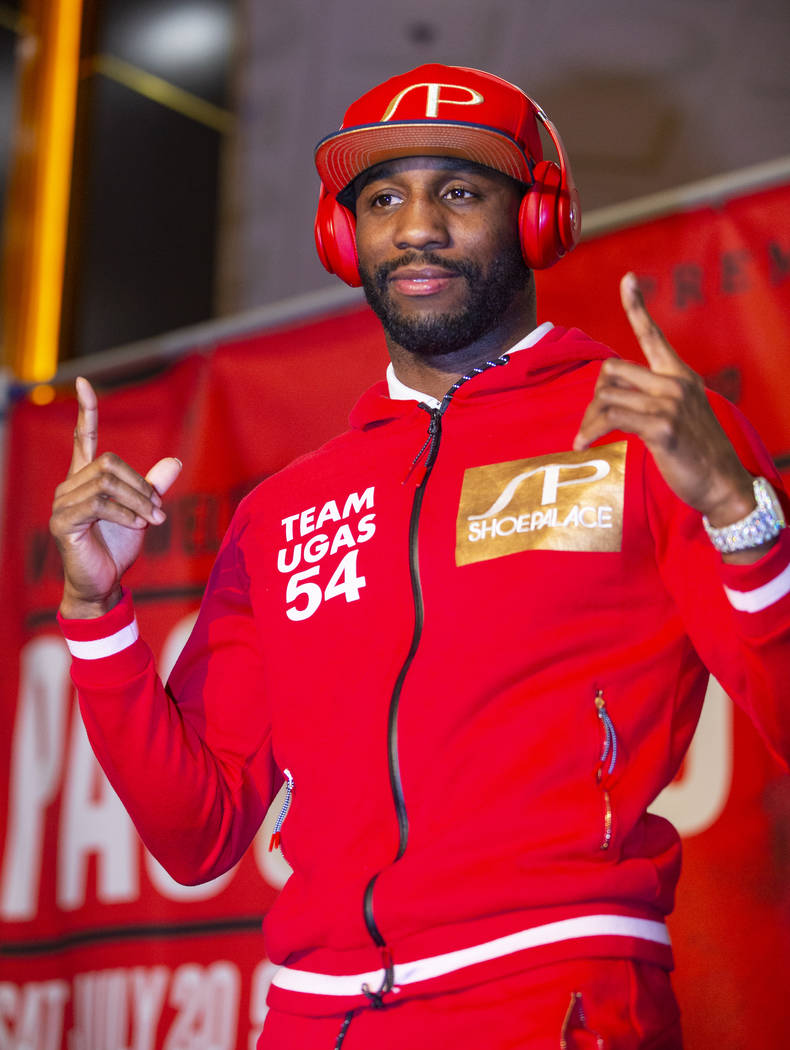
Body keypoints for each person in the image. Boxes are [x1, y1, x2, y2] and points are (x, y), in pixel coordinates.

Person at [50, 65, 790, 1049]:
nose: (416, 229)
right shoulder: (286, 510)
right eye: (383, 199)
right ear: (339, 235)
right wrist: (94, 611)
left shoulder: (644, 434)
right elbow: (199, 833)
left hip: (549, 993)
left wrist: (742, 516)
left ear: (536, 219)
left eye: (460, 192)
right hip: (311, 1017)